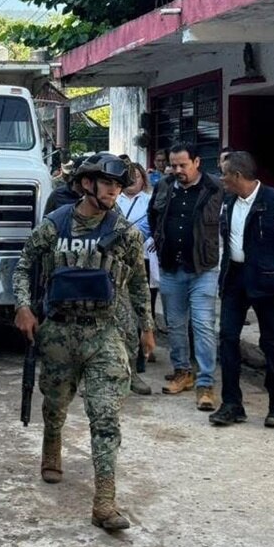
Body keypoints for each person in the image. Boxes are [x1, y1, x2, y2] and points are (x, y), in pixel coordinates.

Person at [13, 152, 154, 530]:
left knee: (106, 416)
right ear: (86, 184)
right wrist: (24, 307)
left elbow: (139, 283)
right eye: (107, 184)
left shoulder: (125, 234)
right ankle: (52, 444)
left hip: (103, 332)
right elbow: (24, 265)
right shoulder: (54, 225)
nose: (114, 191)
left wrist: (146, 326)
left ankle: (104, 502)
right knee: (55, 401)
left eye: (118, 186)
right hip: (59, 329)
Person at [208, 152, 274, 429]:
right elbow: (223, 242)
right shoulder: (228, 202)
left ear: (237, 176)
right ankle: (231, 404)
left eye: (224, 173)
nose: (222, 179)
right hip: (235, 280)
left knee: (270, 342)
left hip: (268, 281)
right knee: (227, 338)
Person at [148, 142, 223, 410]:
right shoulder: (165, 186)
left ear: (197, 162)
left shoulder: (216, 188)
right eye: (174, 165)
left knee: (202, 324)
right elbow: (153, 216)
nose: (178, 170)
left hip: (203, 267)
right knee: (175, 324)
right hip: (170, 266)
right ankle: (183, 372)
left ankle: (205, 384)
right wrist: (158, 240)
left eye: (183, 165)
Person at [116, 161, 153, 395]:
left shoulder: (146, 202)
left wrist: (148, 325)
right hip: (99, 286)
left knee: (130, 328)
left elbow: (140, 282)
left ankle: (132, 373)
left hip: (125, 276)